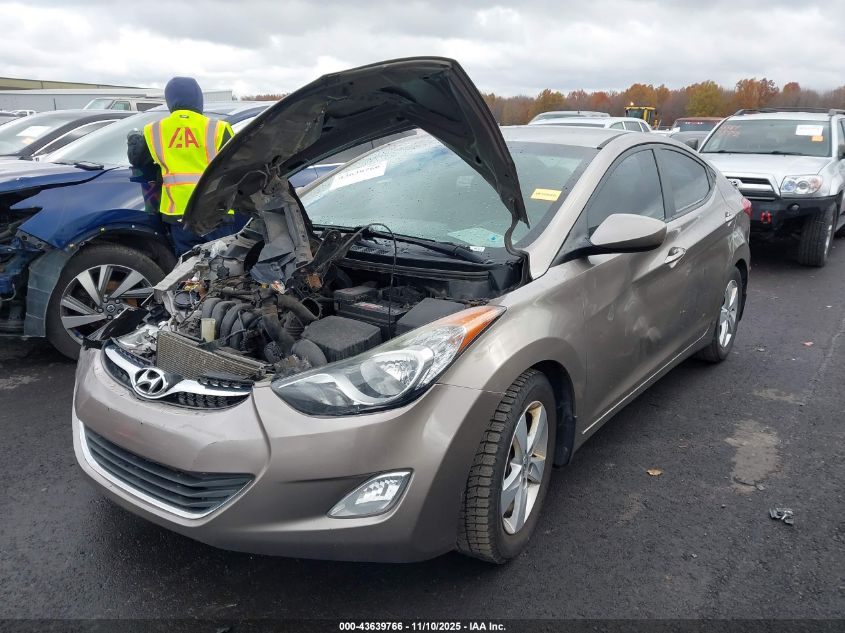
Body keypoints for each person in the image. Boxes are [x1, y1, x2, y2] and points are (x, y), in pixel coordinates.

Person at [127, 76, 237, 256]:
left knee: (186, 264)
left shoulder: (154, 130)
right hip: (215, 212)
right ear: (198, 99)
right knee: (222, 263)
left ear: (170, 100)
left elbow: (138, 160)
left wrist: (133, 140)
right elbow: (238, 164)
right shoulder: (218, 128)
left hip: (178, 212)